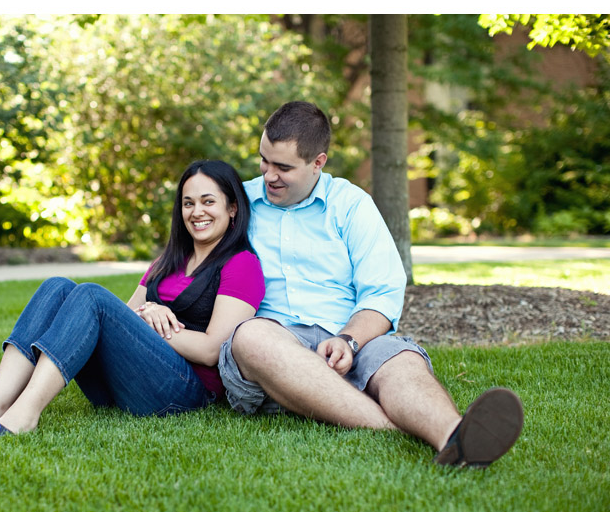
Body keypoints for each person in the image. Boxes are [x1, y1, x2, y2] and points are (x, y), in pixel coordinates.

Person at [218, 101, 523, 467]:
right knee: (251, 337)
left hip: (352, 340)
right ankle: (390, 426)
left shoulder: (350, 205)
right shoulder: (239, 204)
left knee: (400, 360)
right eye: (264, 161)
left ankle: (455, 437)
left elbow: (382, 290)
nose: (269, 175)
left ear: (318, 162)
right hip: (280, 347)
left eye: (284, 167)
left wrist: (349, 339)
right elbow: (184, 257)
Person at [0, 159, 265, 440]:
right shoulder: (169, 259)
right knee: (57, 286)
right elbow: (120, 319)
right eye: (188, 203)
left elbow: (212, 351)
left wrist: (149, 323)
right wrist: (146, 312)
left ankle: (25, 413)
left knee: (91, 295)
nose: (197, 212)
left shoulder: (241, 264)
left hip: (183, 392)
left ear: (232, 207)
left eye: (208, 201)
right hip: (126, 383)